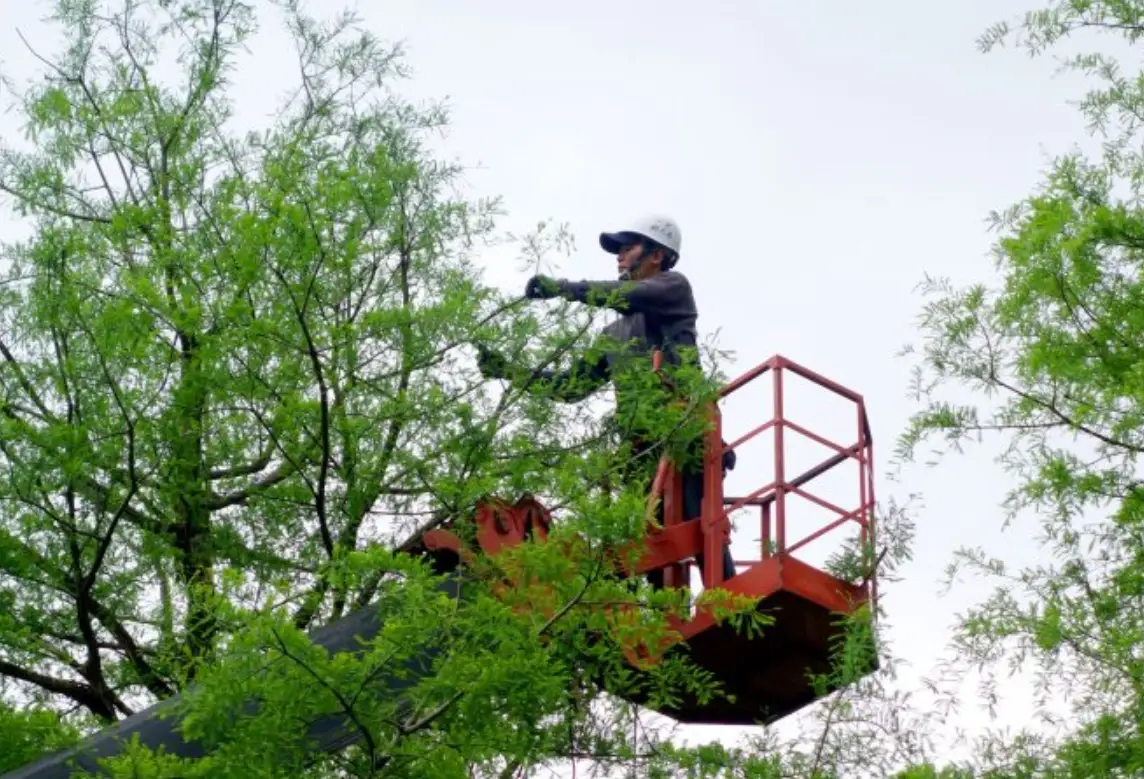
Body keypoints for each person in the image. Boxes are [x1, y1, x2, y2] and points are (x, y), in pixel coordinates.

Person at [476, 215, 736, 588]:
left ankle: (733, 608)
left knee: (702, 530)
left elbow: (625, 296)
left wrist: (561, 288)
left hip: (685, 437)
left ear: (657, 255)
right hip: (641, 450)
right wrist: (509, 370)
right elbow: (570, 386)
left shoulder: (674, 289)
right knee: (651, 555)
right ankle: (671, 621)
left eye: (627, 248)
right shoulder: (613, 334)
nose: (619, 256)